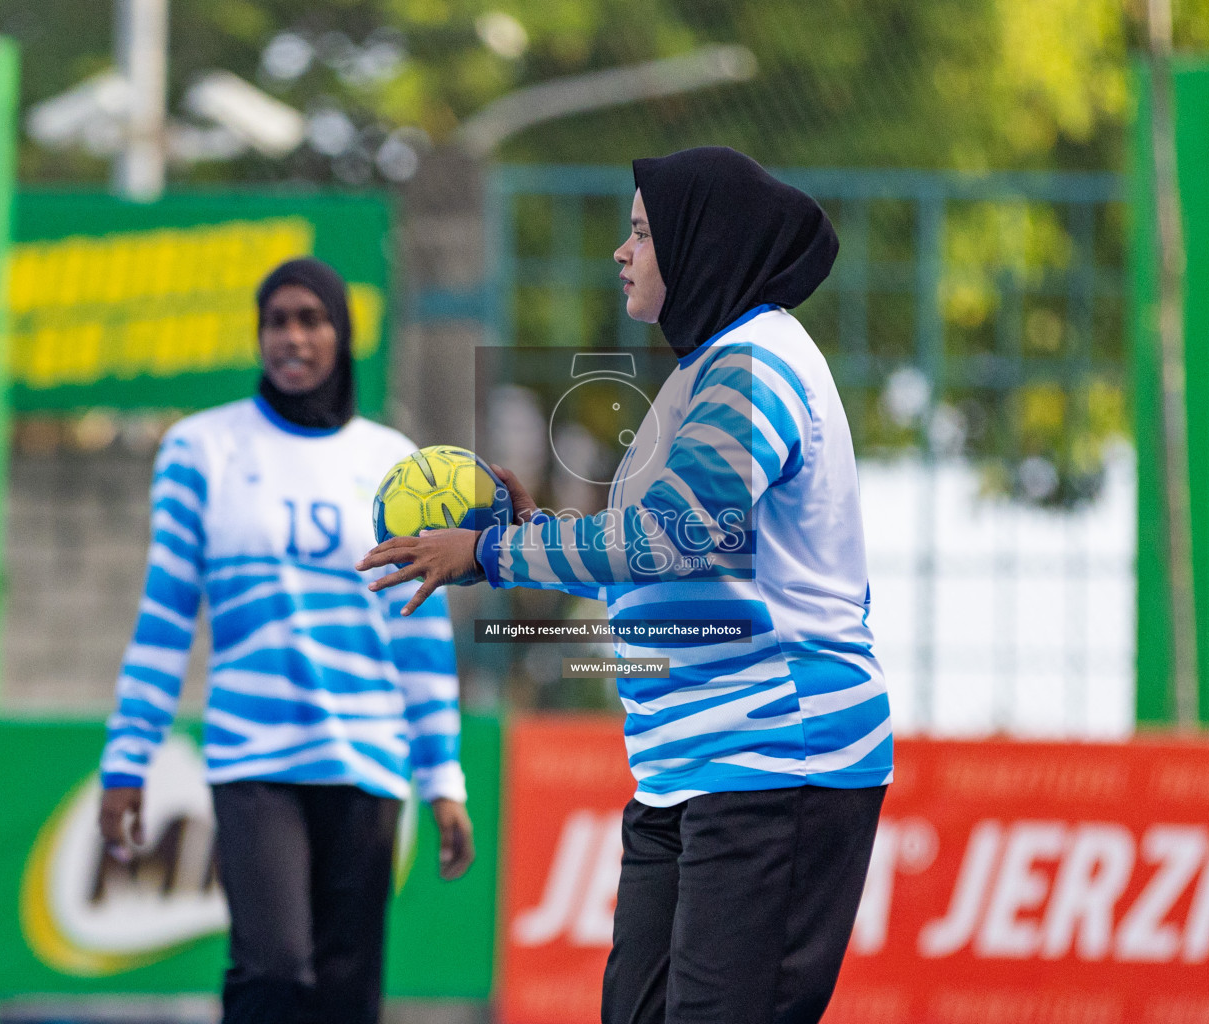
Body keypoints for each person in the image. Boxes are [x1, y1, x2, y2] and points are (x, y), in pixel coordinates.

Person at [361, 147, 891, 1024]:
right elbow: (666, 569)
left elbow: (669, 539)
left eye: (642, 232)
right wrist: (524, 535)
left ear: (699, 245)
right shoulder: (707, 367)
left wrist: (489, 554)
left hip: (776, 764)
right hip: (688, 770)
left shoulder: (757, 365)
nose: (621, 251)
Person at [97, 257, 474, 1024]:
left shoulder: (392, 463)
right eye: (277, 321)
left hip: (368, 756)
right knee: (273, 972)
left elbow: (421, 633)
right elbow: (166, 618)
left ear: (344, 334)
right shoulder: (201, 450)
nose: (292, 338)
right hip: (253, 753)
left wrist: (444, 777)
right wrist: (126, 758)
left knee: (345, 991)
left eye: (312, 319)